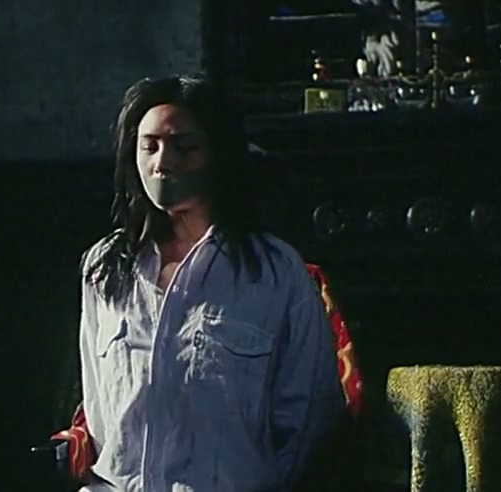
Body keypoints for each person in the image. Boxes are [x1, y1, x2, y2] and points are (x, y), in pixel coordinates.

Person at [77, 73, 345, 491]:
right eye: (150, 146)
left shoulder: (274, 272)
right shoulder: (106, 267)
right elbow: (98, 409)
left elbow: (308, 413)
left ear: (217, 154)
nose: (163, 162)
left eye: (183, 146)